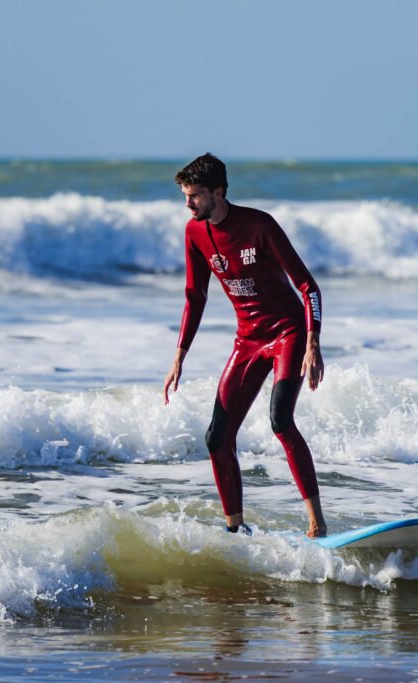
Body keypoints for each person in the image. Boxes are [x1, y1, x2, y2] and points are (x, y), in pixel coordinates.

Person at [163, 153, 327, 538]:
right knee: (217, 437)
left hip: (288, 333)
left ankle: (317, 522)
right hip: (248, 339)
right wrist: (179, 356)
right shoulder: (194, 233)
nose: (188, 204)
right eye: (185, 196)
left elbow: (308, 287)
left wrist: (312, 342)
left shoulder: (258, 225)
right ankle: (236, 529)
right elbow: (194, 296)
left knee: (281, 420)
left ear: (218, 192)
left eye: (195, 196)